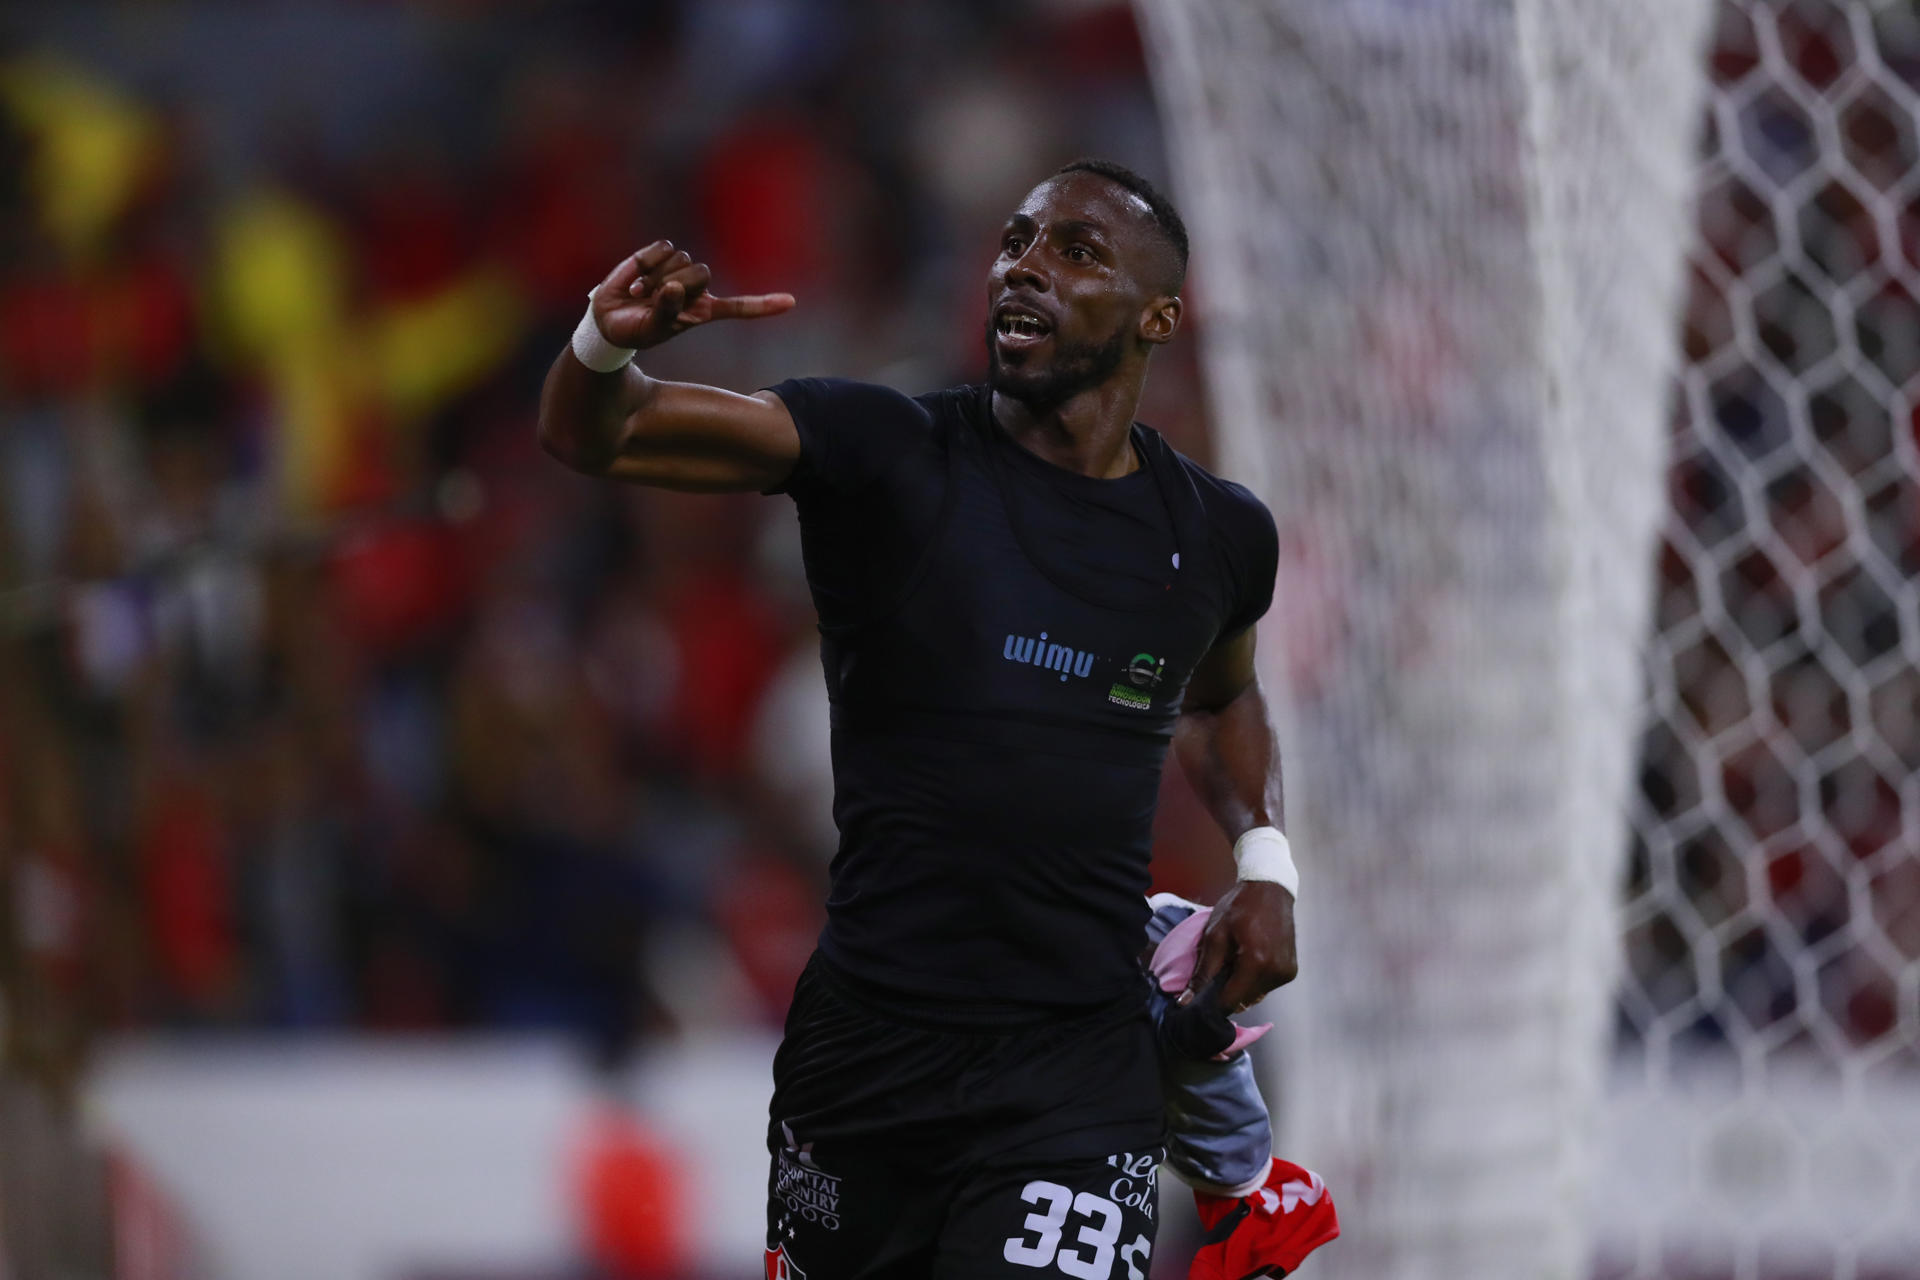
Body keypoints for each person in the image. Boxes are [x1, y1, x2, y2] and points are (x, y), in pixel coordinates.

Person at [538, 158, 1298, 1280]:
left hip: (1075, 1072)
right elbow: (596, 434)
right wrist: (605, 345)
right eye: (1015, 243)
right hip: (866, 1062)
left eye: (1075, 252)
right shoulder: (882, 452)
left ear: (1158, 316)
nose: (1025, 269)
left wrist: (1265, 859)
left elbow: (1222, 695)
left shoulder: (1220, 536)